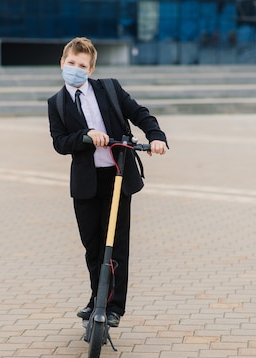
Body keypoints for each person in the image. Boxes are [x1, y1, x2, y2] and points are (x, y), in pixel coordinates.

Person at [47, 37, 168, 327]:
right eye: (71, 63)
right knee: (92, 246)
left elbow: (139, 113)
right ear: (63, 63)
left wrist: (156, 136)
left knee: (115, 245)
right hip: (86, 184)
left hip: (117, 178)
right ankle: (96, 297)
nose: (76, 68)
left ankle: (113, 306)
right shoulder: (57, 103)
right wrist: (85, 136)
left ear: (90, 70)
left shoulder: (109, 89)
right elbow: (60, 142)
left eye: (82, 65)